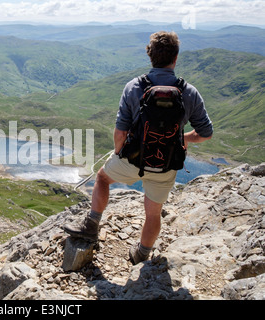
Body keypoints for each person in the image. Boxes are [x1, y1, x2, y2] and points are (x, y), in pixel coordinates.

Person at [64, 31, 213, 265]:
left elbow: (120, 132)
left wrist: (118, 154)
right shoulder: (189, 92)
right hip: (166, 164)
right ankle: (141, 255)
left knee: (102, 178)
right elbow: (206, 133)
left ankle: (91, 226)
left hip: (131, 160)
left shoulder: (134, 86)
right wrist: (179, 139)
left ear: (150, 56)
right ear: (175, 58)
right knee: (153, 213)